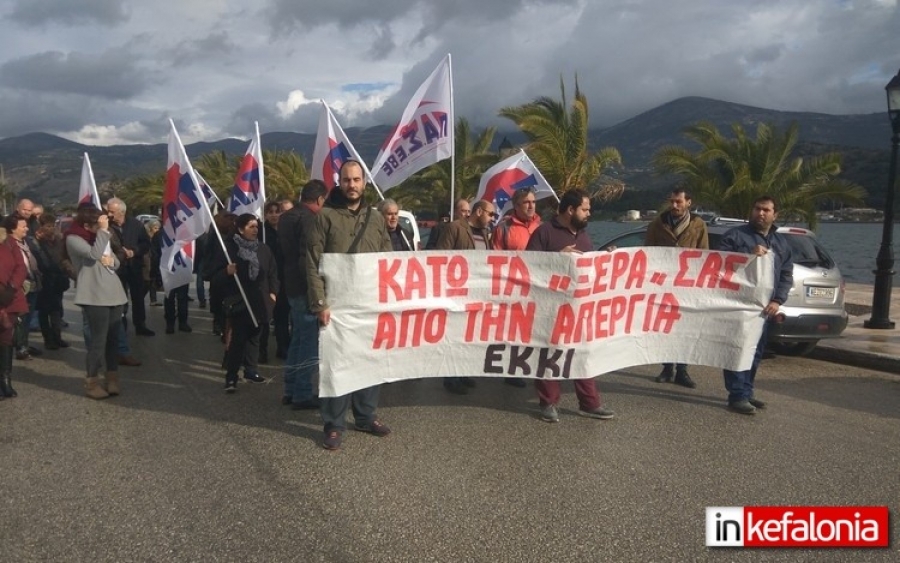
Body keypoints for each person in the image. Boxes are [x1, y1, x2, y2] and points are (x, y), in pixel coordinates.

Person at [307, 161, 392, 450]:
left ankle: (366, 416)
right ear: (339, 182)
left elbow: (387, 261)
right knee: (336, 364)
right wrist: (320, 303)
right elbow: (312, 262)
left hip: (368, 303)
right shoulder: (325, 217)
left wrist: (389, 298)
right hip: (336, 305)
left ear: (364, 183)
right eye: (346, 180)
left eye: (356, 179)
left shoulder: (376, 218)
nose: (352, 185)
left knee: (369, 361)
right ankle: (333, 423)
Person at [526, 189, 616, 423]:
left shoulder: (584, 234)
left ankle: (589, 403)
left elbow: (588, 266)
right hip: (549, 309)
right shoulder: (544, 232)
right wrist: (557, 256)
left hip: (579, 309)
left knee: (583, 354)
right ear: (570, 210)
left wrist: (605, 259)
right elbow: (527, 267)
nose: (589, 214)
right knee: (549, 355)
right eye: (585, 209)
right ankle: (548, 402)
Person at [718, 195, 793, 415]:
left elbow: (786, 274)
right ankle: (737, 395)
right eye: (757, 208)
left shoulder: (781, 243)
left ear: (774, 214)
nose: (761, 213)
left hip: (764, 308)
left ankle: (747, 391)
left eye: (766, 210)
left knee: (756, 351)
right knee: (738, 349)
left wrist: (778, 300)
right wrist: (746, 256)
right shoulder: (735, 236)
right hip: (739, 305)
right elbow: (720, 264)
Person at [644, 187, 709, 388]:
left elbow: (704, 253)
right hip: (664, 284)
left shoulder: (698, 225)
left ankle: (682, 370)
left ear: (689, 202)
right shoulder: (658, 223)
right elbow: (648, 251)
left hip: (687, 286)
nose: (674, 205)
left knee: (684, 329)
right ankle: (667, 367)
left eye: (678, 202)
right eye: (672, 201)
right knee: (665, 328)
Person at [65, 206, 129, 399]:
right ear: (86, 225)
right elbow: (93, 255)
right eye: (97, 224)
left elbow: (116, 261)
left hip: (113, 293)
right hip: (94, 296)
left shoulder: (101, 237)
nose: (102, 227)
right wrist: (102, 232)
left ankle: (112, 378)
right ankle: (92, 381)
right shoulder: (73, 238)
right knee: (98, 341)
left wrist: (113, 260)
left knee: (112, 340)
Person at [209, 213, 278, 392]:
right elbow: (213, 277)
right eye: (251, 226)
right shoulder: (229, 249)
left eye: (256, 226)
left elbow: (272, 273)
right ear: (240, 229)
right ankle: (231, 377)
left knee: (256, 336)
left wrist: (273, 293)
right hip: (239, 300)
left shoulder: (263, 249)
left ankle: (251, 370)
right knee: (238, 340)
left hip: (260, 301)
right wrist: (226, 271)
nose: (255, 230)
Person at [434, 199, 497, 394]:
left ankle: (462, 372)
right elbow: (441, 256)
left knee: (468, 335)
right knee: (453, 335)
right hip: (456, 292)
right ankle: (450, 378)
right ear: (478, 211)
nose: (492, 218)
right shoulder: (455, 228)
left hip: (475, 292)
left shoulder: (485, 233)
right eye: (490, 214)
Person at [279, 180, 328, 409]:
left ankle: (290, 389)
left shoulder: (287, 217)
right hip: (305, 287)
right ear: (319, 199)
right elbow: (306, 258)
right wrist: (315, 290)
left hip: (290, 285)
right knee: (309, 342)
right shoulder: (310, 219)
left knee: (298, 339)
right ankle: (302, 393)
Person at [491, 187, 542, 387]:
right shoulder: (504, 227)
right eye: (526, 202)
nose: (531, 206)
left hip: (538, 286)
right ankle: (512, 370)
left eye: (533, 202)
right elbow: (495, 257)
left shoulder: (542, 226)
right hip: (513, 287)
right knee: (514, 330)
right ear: (516, 206)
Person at [106, 198, 154, 336]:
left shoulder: (136, 224)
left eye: (112, 211)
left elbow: (145, 244)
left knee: (138, 297)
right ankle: (121, 326)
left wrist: (134, 251)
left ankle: (140, 325)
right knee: (120, 299)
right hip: (116, 269)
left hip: (134, 267)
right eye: (108, 211)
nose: (109, 214)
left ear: (122, 212)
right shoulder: (106, 226)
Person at [33, 213, 74, 350]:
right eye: (48, 226)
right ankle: (48, 339)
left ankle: (57, 337)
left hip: (58, 280)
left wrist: (71, 273)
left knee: (56, 310)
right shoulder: (36, 241)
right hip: (45, 280)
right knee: (44, 311)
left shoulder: (59, 239)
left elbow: (64, 258)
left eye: (53, 225)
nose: (51, 228)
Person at [5, 212, 41, 360]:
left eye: (26, 226)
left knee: (26, 318)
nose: (26, 229)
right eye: (23, 227)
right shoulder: (8, 245)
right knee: (19, 321)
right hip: (19, 287)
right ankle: (20, 347)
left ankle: (24, 344)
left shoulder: (25, 242)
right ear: (12, 229)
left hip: (31, 284)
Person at [0, 215, 29, 398]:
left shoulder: (9, 243)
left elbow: (20, 267)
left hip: (8, 299)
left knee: (5, 339)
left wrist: (10, 289)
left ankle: (5, 380)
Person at [260, 200, 289, 363]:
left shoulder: (286, 230)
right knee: (265, 317)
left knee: (282, 317)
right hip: (266, 280)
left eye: (276, 212)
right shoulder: (262, 232)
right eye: (270, 212)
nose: (273, 215)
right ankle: (261, 350)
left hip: (283, 279)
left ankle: (282, 347)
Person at [145, 220, 162, 306]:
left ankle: (153, 299)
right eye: (155, 228)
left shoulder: (158, 237)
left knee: (153, 281)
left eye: (158, 228)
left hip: (154, 260)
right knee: (148, 281)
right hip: (148, 261)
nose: (157, 230)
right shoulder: (147, 237)